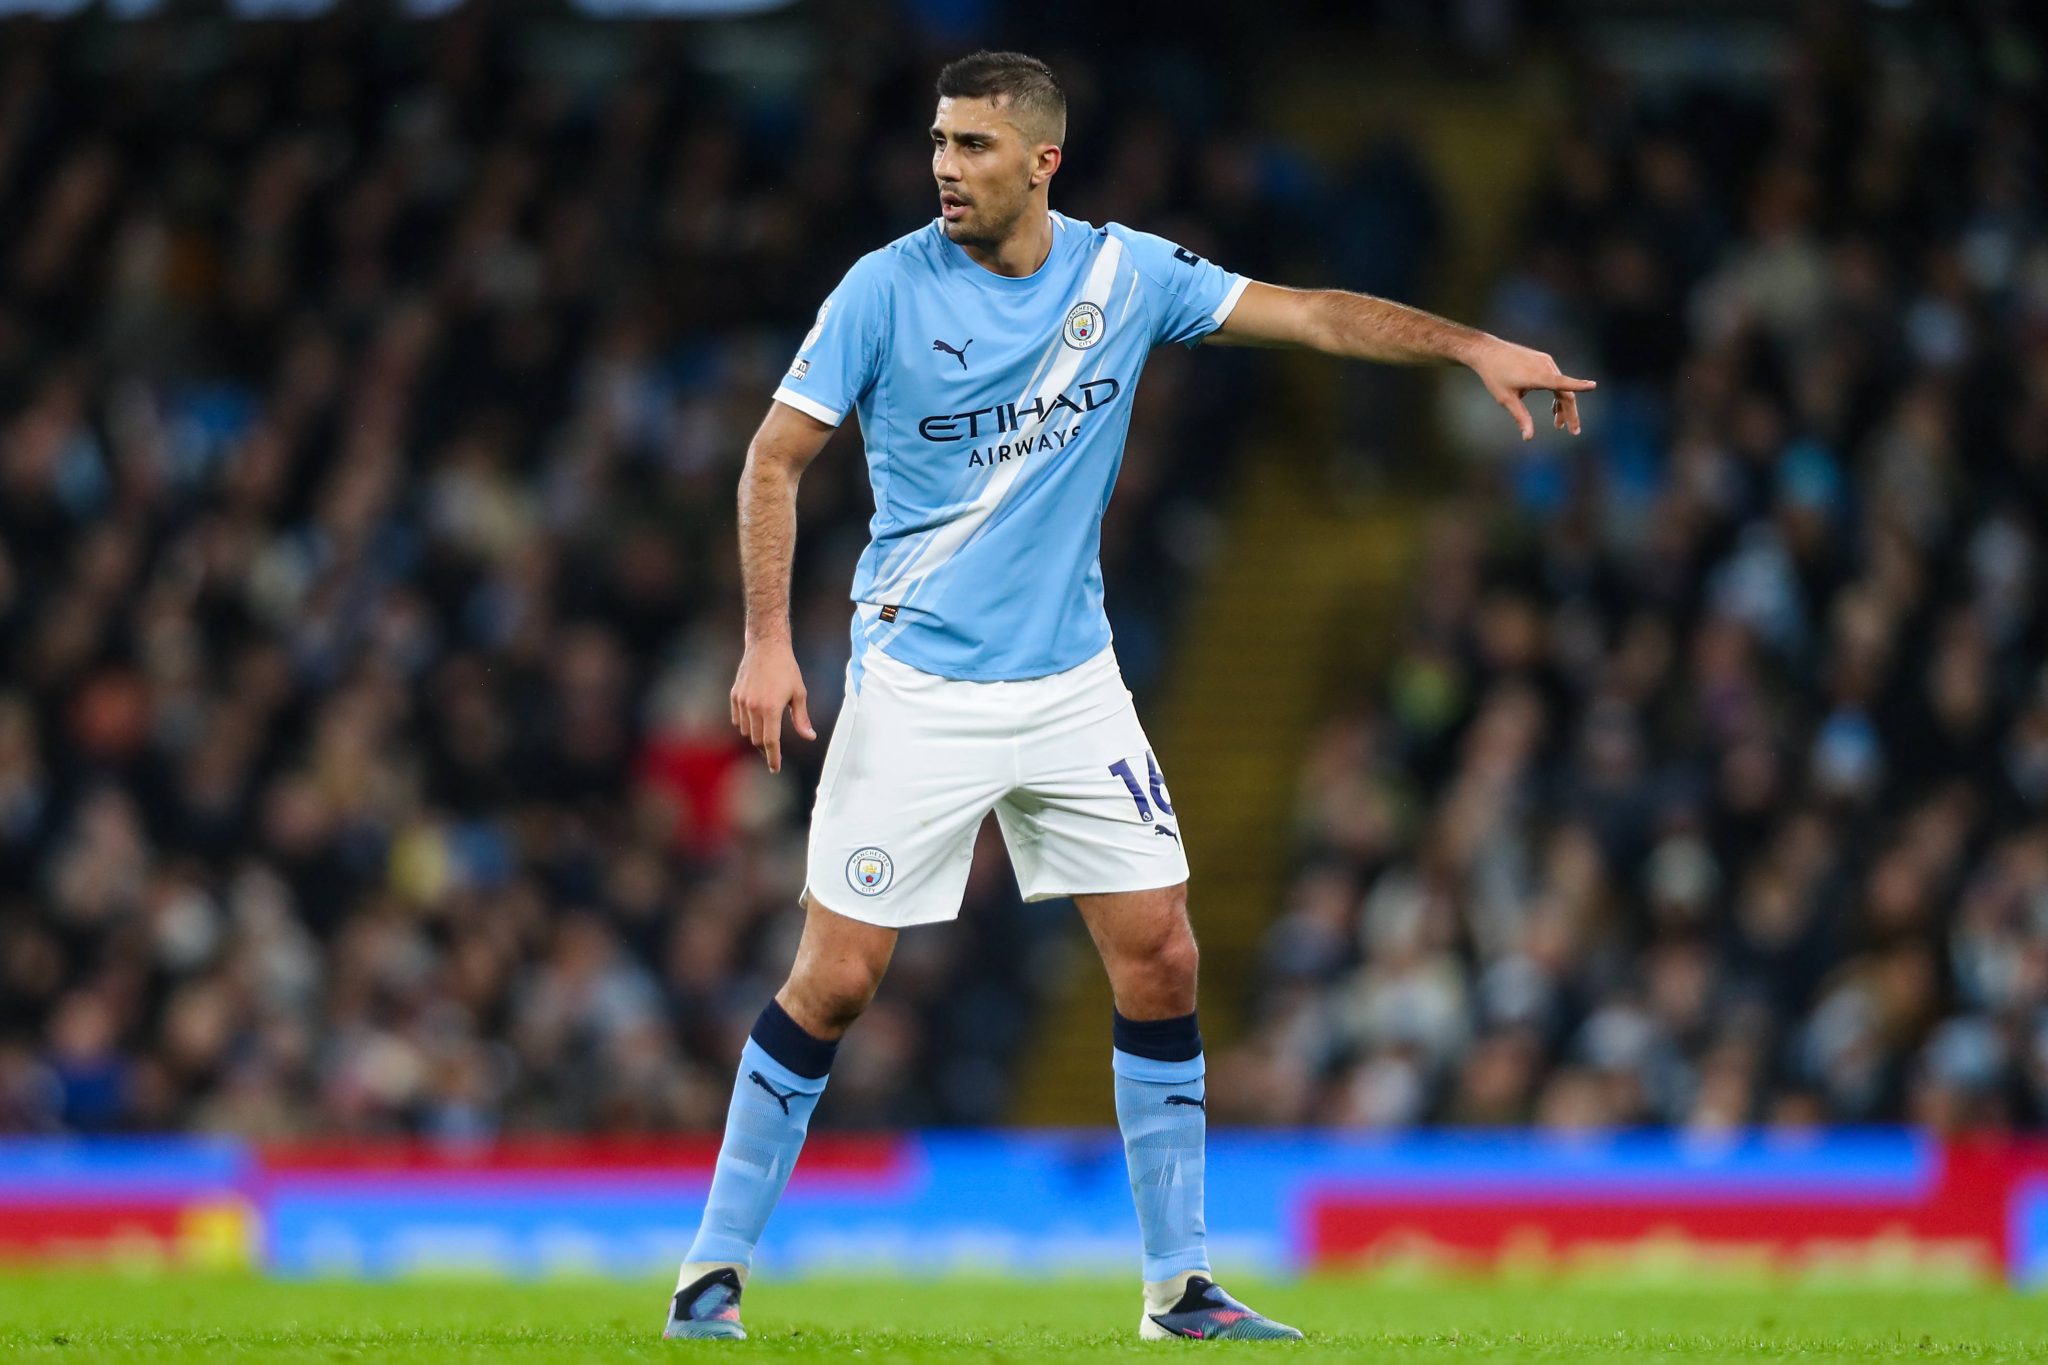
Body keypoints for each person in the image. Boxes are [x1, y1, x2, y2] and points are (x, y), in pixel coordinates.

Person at [665, 50, 1594, 1343]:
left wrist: (1470, 345)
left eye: (975, 146)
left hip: (1071, 684)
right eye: (939, 142)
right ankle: (711, 1268)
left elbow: (1314, 316)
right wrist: (767, 643)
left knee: (1163, 953)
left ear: (1044, 160)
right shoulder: (883, 289)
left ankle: (1180, 1286)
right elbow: (774, 461)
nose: (945, 167)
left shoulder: (1126, 275)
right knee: (837, 980)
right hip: (919, 684)